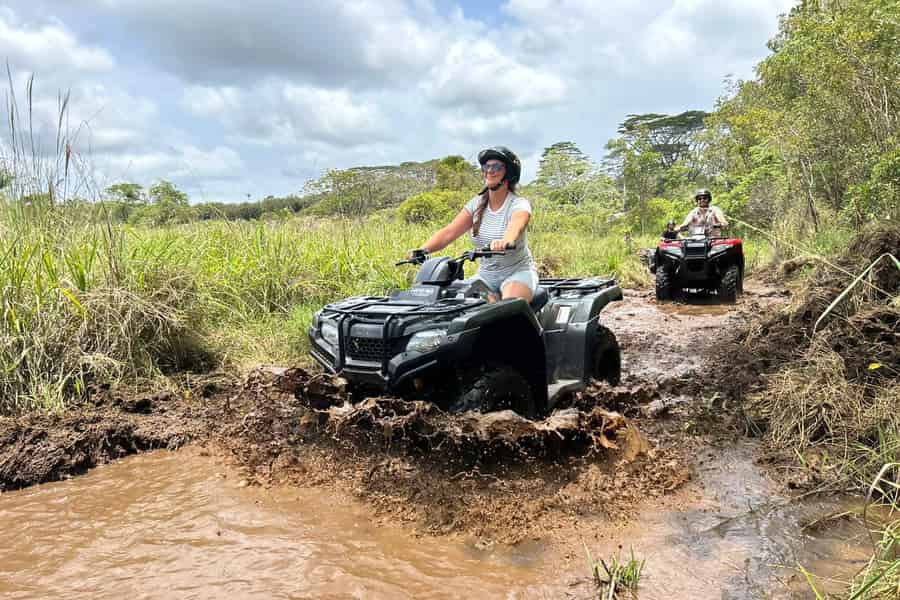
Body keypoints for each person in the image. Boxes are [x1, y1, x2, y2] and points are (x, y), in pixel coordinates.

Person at [410, 146, 538, 302]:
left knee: (510, 306)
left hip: (517, 273)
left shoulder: (518, 204)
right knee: (455, 302)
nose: (490, 170)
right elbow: (449, 232)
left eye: (496, 166)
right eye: (486, 166)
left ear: (509, 173)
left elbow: (517, 224)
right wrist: (423, 250)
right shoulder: (476, 205)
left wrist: (506, 240)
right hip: (485, 276)